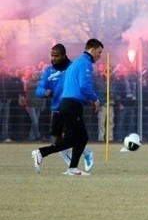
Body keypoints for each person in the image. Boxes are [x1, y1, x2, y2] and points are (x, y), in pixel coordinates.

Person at [31, 39, 103, 176]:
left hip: (66, 103)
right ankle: (41, 152)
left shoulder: (75, 63)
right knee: (72, 138)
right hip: (72, 104)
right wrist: (95, 99)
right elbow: (84, 85)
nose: (100, 56)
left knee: (82, 137)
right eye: (99, 52)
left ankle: (73, 168)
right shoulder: (85, 63)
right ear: (92, 50)